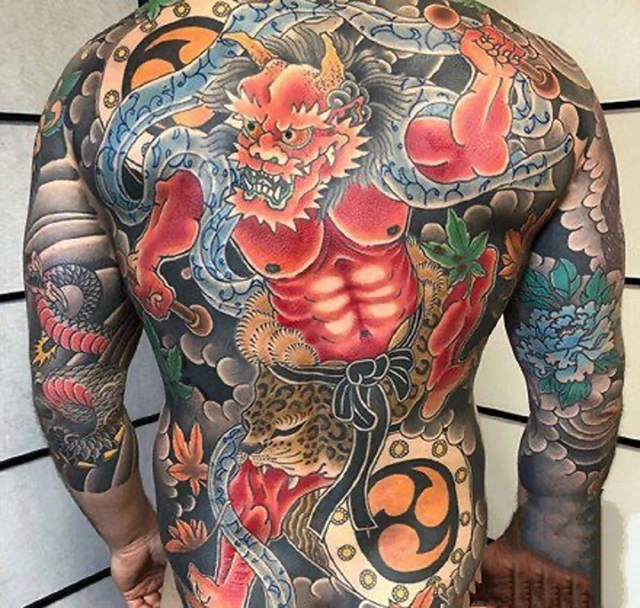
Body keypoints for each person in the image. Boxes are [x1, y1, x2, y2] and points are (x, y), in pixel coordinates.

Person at [23, 0, 625, 606]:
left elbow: (70, 390)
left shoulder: (96, 86)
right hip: (430, 566)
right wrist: (546, 543)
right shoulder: (546, 86)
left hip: (223, 572)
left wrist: (129, 534)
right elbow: (582, 380)